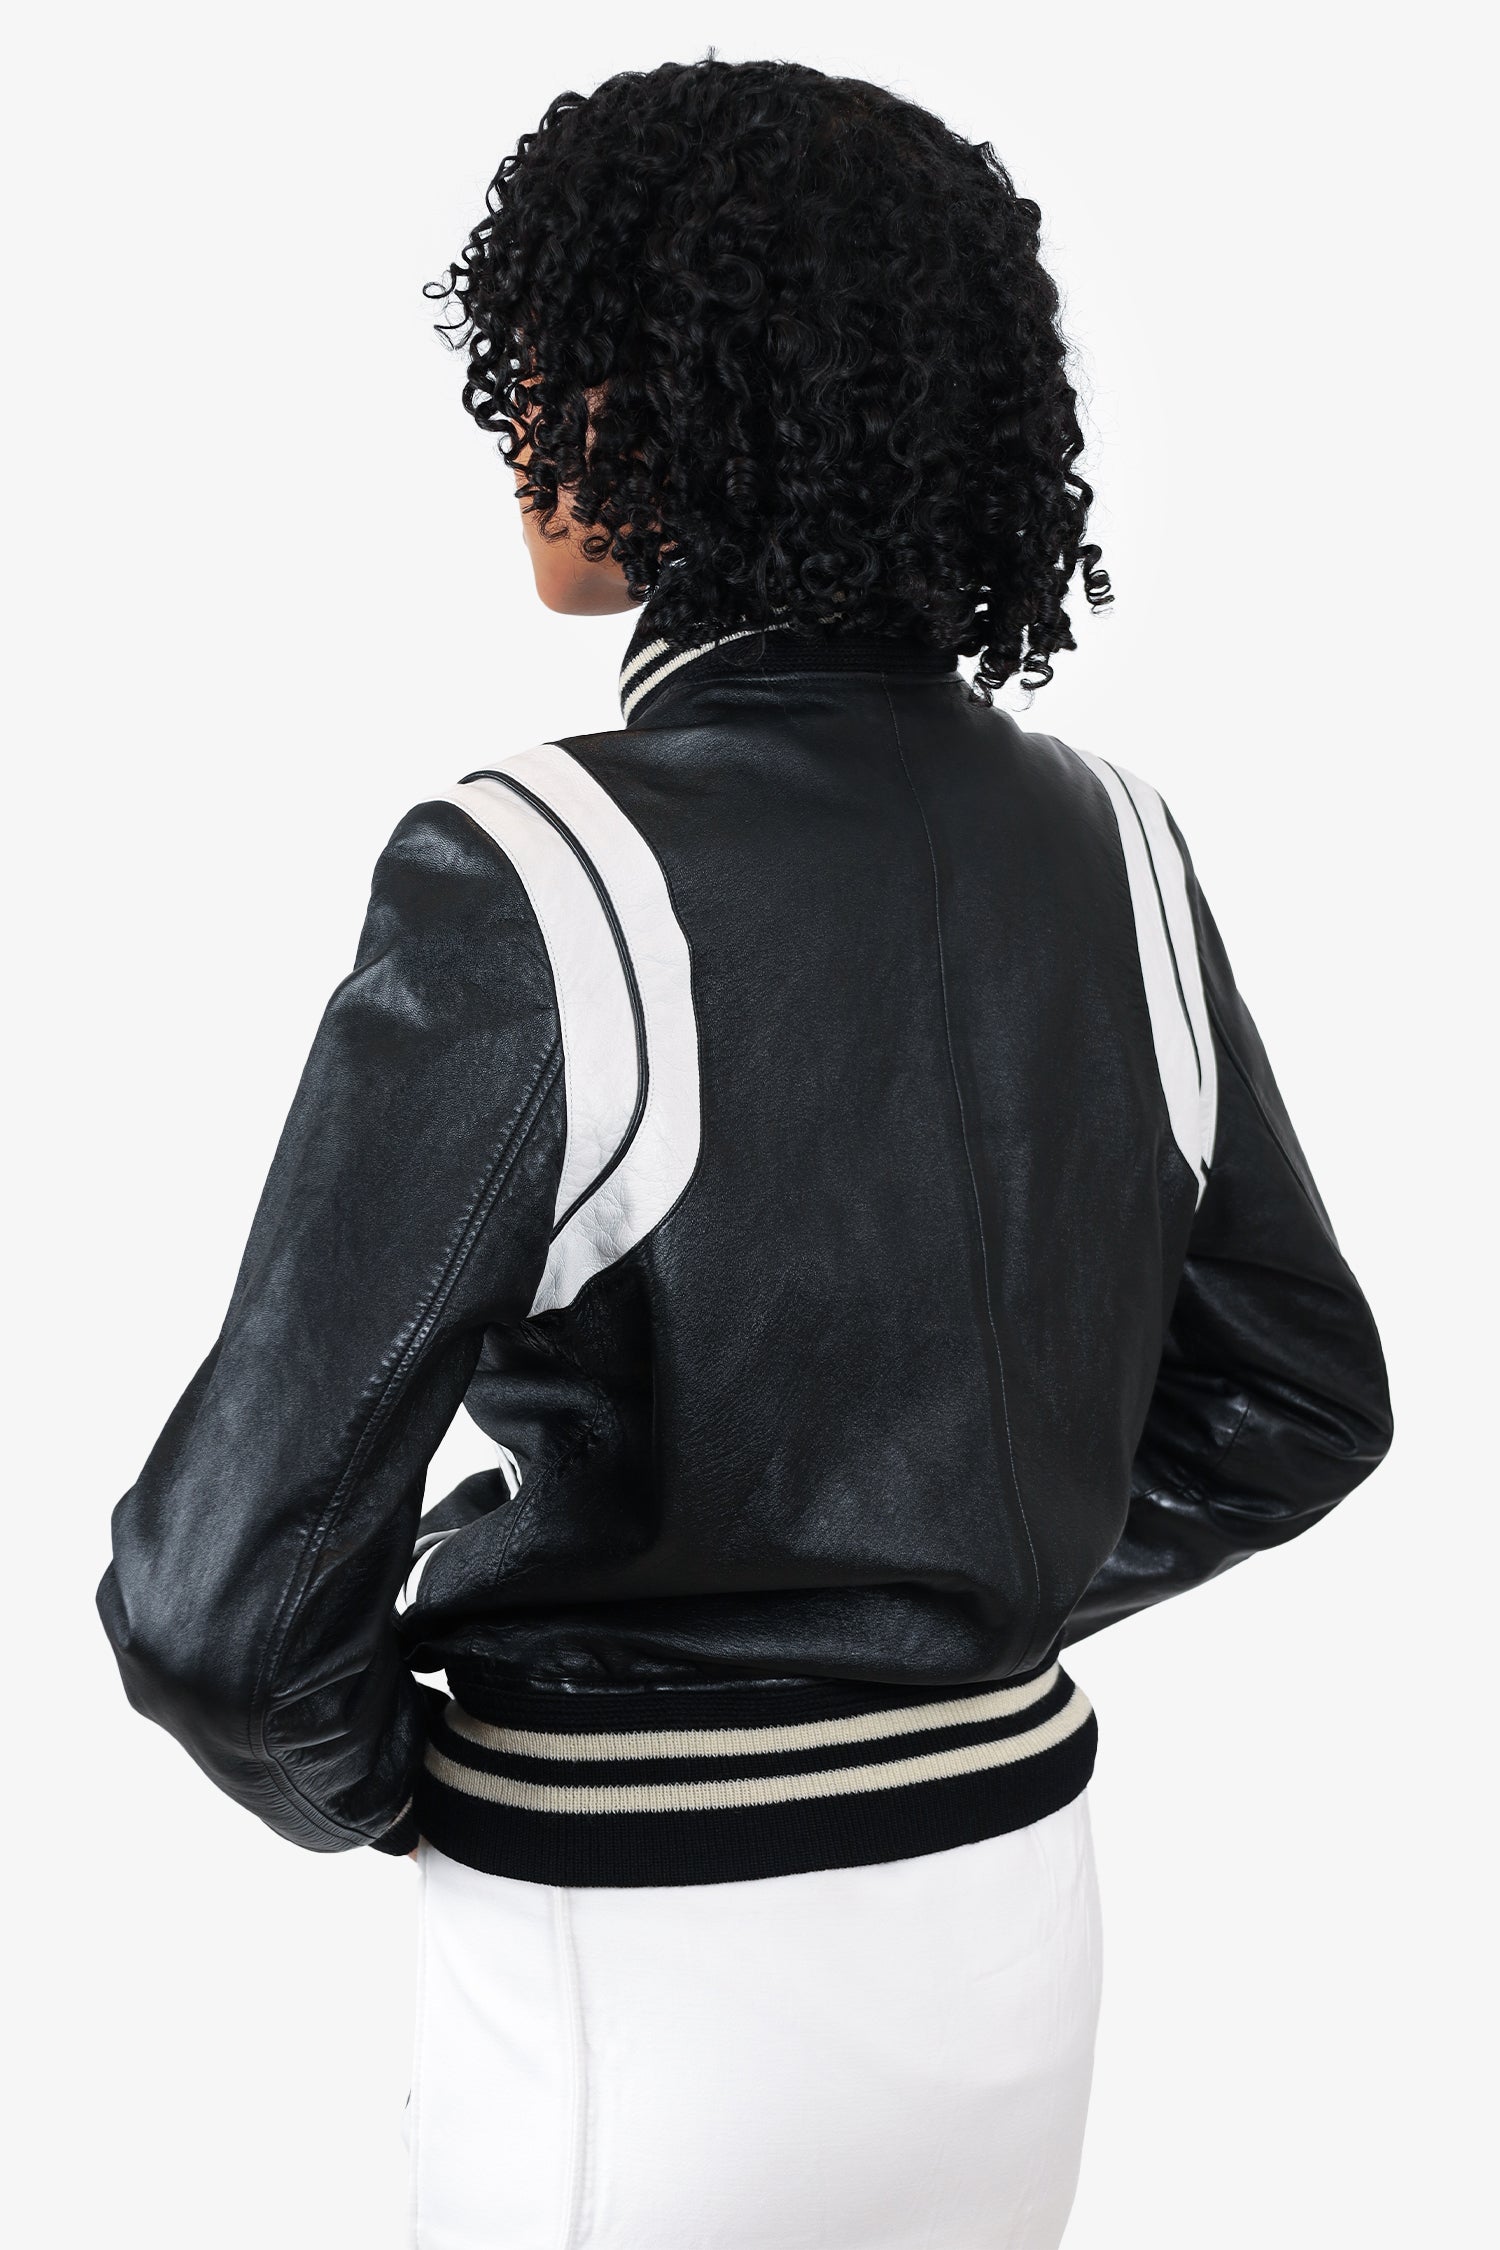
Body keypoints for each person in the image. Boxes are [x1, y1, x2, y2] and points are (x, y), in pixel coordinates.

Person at [97, 56, 1393, 2250]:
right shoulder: (1122, 847)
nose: (526, 416)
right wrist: (916, 1623)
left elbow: (215, 1609)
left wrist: (441, 1765)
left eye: (574, 352)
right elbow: (1296, 1405)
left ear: (699, 404)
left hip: (646, 1963)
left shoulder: (537, 869)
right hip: (1012, 1913)